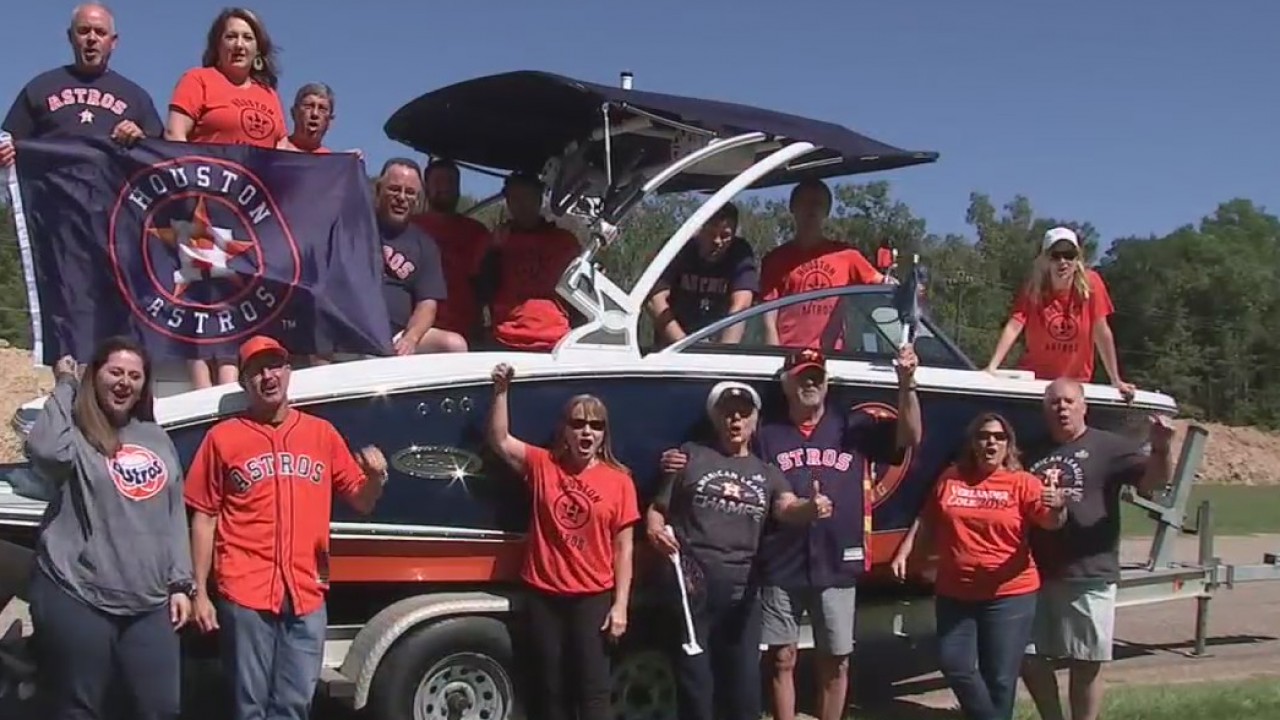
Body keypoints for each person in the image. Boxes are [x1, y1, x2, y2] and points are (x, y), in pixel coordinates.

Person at [660, 345, 922, 720]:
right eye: (802, 377)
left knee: (836, 659)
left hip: (836, 560)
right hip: (780, 562)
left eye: (816, 376)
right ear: (786, 385)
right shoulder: (766, 434)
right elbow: (724, 451)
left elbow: (909, 437)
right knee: (782, 656)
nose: (810, 383)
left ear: (827, 382)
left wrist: (907, 383)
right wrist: (677, 459)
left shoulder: (853, 427)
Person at [184, 335, 388, 720]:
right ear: (244, 383)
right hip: (245, 590)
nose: (268, 376)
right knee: (249, 706)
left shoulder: (321, 434)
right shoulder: (223, 438)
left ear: (289, 371)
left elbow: (360, 500)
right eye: (256, 371)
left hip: (306, 590)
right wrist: (200, 592)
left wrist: (376, 478)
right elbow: (204, 516)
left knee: (295, 704)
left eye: (275, 365)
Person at [24, 337, 193, 720]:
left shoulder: (155, 436)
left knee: (161, 708)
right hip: (78, 594)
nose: (125, 381)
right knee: (80, 708)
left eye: (135, 375)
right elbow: (46, 451)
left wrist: (182, 582)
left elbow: (172, 514)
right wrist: (66, 384)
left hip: (149, 602)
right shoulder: (75, 432)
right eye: (115, 371)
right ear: (94, 376)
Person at [645, 381, 834, 720]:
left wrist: (810, 508)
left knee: (745, 693)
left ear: (754, 422)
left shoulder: (768, 474)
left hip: (744, 594)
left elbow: (787, 508)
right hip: (692, 592)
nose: (735, 421)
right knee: (696, 689)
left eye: (743, 415)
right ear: (715, 418)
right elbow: (658, 510)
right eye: (728, 414)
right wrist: (654, 530)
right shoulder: (690, 456)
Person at [486, 362, 638, 720]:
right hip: (544, 595)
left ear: (604, 434)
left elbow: (624, 549)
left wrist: (621, 606)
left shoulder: (620, 481)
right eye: (578, 424)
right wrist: (501, 391)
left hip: (592, 598)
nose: (587, 432)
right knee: (549, 689)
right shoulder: (542, 465)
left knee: (593, 689)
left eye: (596, 426)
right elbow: (499, 440)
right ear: (564, 430)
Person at [890, 413, 1066, 720]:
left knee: (999, 677)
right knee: (954, 664)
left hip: (1010, 594)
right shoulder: (951, 477)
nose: (991, 443)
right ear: (973, 442)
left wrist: (1058, 505)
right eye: (984, 436)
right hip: (955, 592)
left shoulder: (1022, 483)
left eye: (999, 437)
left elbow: (1051, 522)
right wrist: (903, 552)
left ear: (1008, 445)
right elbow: (928, 516)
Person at [1019, 378, 1174, 720]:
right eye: (1054, 402)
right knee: (1026, 655)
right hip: (1032, 573)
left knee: (1086, 661)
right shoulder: (1029, 451)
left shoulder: (1110, 447)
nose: (1062, 407)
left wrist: (1161, 450)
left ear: (1084, 406)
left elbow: (1154, 483)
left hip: (1089, 571)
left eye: (1069, 401)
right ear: (1045, 410)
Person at [164, 7, 296, 388]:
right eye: (231, 36)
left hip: (251, 215)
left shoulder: (268, 94)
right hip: (204, 207)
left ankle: (232, 381)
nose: (239, 44)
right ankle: (206, 394)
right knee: (205, 298)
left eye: (247, 37)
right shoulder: (198, 80)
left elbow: (282, 149)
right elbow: (175, 134)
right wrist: (190, 186)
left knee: (240, 300)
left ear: (258, 49)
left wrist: (335, 164)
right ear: (217, 45)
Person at [985, 226, 1136, 402]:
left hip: (1075, 385)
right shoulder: (1034, 287)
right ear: (1045, 260)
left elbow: (1101, 332)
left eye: (1069, 255)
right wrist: (991, 368)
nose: (1062, 262)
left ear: (1077, 258)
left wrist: (1116, 380)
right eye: (1055, 255)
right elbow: (1014, 325)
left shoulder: (1092, 284)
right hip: (1036, 384)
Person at [1, 3, 161, 167]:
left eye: (100, 32)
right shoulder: (39, 88)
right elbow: (8, 141)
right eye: (84, 31)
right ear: (71, 37)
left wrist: (140, 139)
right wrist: (4, 153)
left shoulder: (136, 97)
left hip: (112, 191)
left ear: (113, 42)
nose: (92, 38)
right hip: (50, 190)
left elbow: (161, 157)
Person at [759, 179, 888, 349]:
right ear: (792, 207)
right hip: (789, 355)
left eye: (818, 204)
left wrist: (907, 287)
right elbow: (768, 313)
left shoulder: (847, 256)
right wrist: (773, 355)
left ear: (826, 211)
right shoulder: (775, 259)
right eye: (804, 203)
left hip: (833, 357)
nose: (811, 210)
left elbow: (883, 285)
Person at [480, 173, 582, 351]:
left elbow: (579, 295)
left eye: (528, 197)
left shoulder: (565, 241)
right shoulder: (495, 240)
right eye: (515, 198)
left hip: (557, 340)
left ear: (539, 198)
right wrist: (494, 251)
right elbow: (483, 292)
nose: (522, 205)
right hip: (505, 339)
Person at [375, 158, 467, 354]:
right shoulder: (353, 228)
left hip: (397, 335)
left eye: (409, 192)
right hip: (350, 330)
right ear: (378, 190)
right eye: (394, 189)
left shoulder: (425, 244)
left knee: (454, 345)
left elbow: (427, 304)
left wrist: (411, 338)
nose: (401, 197)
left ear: (417, 198)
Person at [647, 202, 758, 348]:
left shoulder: (739, 253)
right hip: (672, 348)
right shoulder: (677, 247)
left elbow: (742, 304)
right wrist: (685, 347)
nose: (717, 241)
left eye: (725, 236)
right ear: (700, 229)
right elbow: (655, 300)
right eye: (711, 233)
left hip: (717, 346)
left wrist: (723, 354)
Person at [413, 158, 494, 346]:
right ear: (426, 187)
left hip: (466, 331)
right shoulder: (411, 227)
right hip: (420, 332)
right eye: (438, 182)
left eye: (451, 182)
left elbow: (486, 286)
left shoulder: (477, 232)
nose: (445, 187)